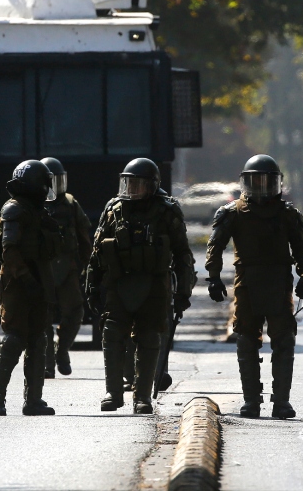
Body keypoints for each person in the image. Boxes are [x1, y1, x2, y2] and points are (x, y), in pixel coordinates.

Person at [86, 158, 197, 414]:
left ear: (152, 185)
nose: (131, 189)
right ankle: (113, 393)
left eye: (137, 184)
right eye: (128, 183)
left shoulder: (167, 211)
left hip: (154, 286)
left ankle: (142, 397)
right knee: (112, 334)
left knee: (149, 337)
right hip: (119, 282)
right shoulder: (114, 208)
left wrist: (183, 292)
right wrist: (92, 285)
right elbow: (97, 251)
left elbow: (182, 255)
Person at [205, 155, 303, 419]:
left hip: (279, 283)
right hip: (247, 284)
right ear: (245, 182)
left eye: (267, 182)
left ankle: (281, 401)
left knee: (284, 340)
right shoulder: (231, 213)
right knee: (246, 340)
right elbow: (215, 247)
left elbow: (302, 251)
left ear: (277, 183)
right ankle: (251, 401)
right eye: (256, 182)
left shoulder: (288, 215)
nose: (262, 187)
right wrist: (214, 277)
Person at [0, 160, 63, 416]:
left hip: (39, 281)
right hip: (16, 283)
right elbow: (9, 251)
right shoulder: (14, 210)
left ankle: (33, 400)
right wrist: (26, 280)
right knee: (14, 339)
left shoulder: (38, 212)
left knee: (38, 340)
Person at [41, 157, 93, 379]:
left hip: (67, 268)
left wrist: (90, 268)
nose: (55, 187)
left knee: (75, 311)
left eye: (58, 181)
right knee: (42, 317)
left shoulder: (71, 205)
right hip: (41, 270)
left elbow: (84, 238)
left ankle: (61, 350)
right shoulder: (31, 205)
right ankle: (47, 362)